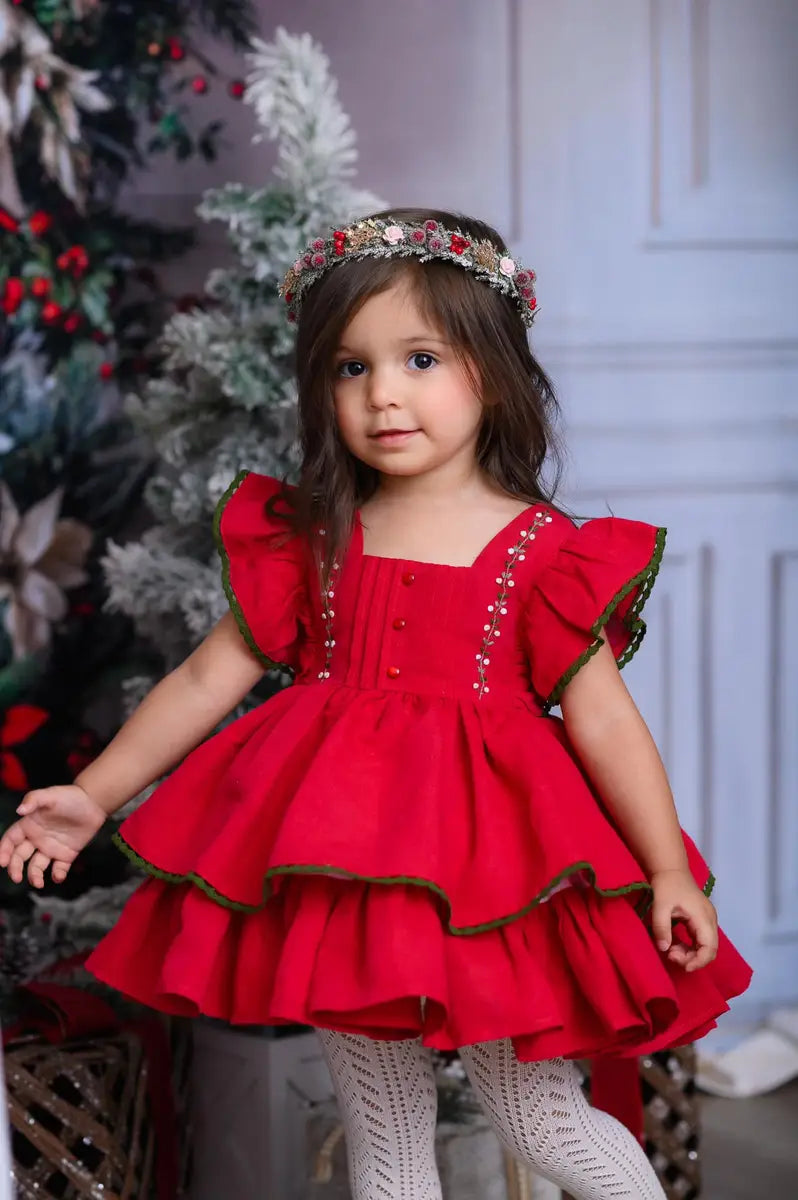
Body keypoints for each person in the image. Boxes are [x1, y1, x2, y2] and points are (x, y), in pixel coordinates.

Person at [0, 209, 751, 1199]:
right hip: (338, 869)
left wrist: (666, 870)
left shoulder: (543, 554)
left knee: (538, 1116)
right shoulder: (311, 538)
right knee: (385, 1135)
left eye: (419, 360)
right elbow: (204, 680)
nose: (382, 394)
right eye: (350, 368)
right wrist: (93, 795)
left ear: (494, 371)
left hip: (498, 878)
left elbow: (606, 721)